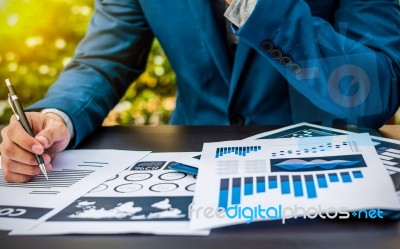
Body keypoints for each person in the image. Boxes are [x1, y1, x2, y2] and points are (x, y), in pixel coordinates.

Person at [1, 0, 400, 183]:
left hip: (322, 181)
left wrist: (253, 5)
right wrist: (57, 116)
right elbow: (102, 62)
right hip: (186, 177)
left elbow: (374, 89)